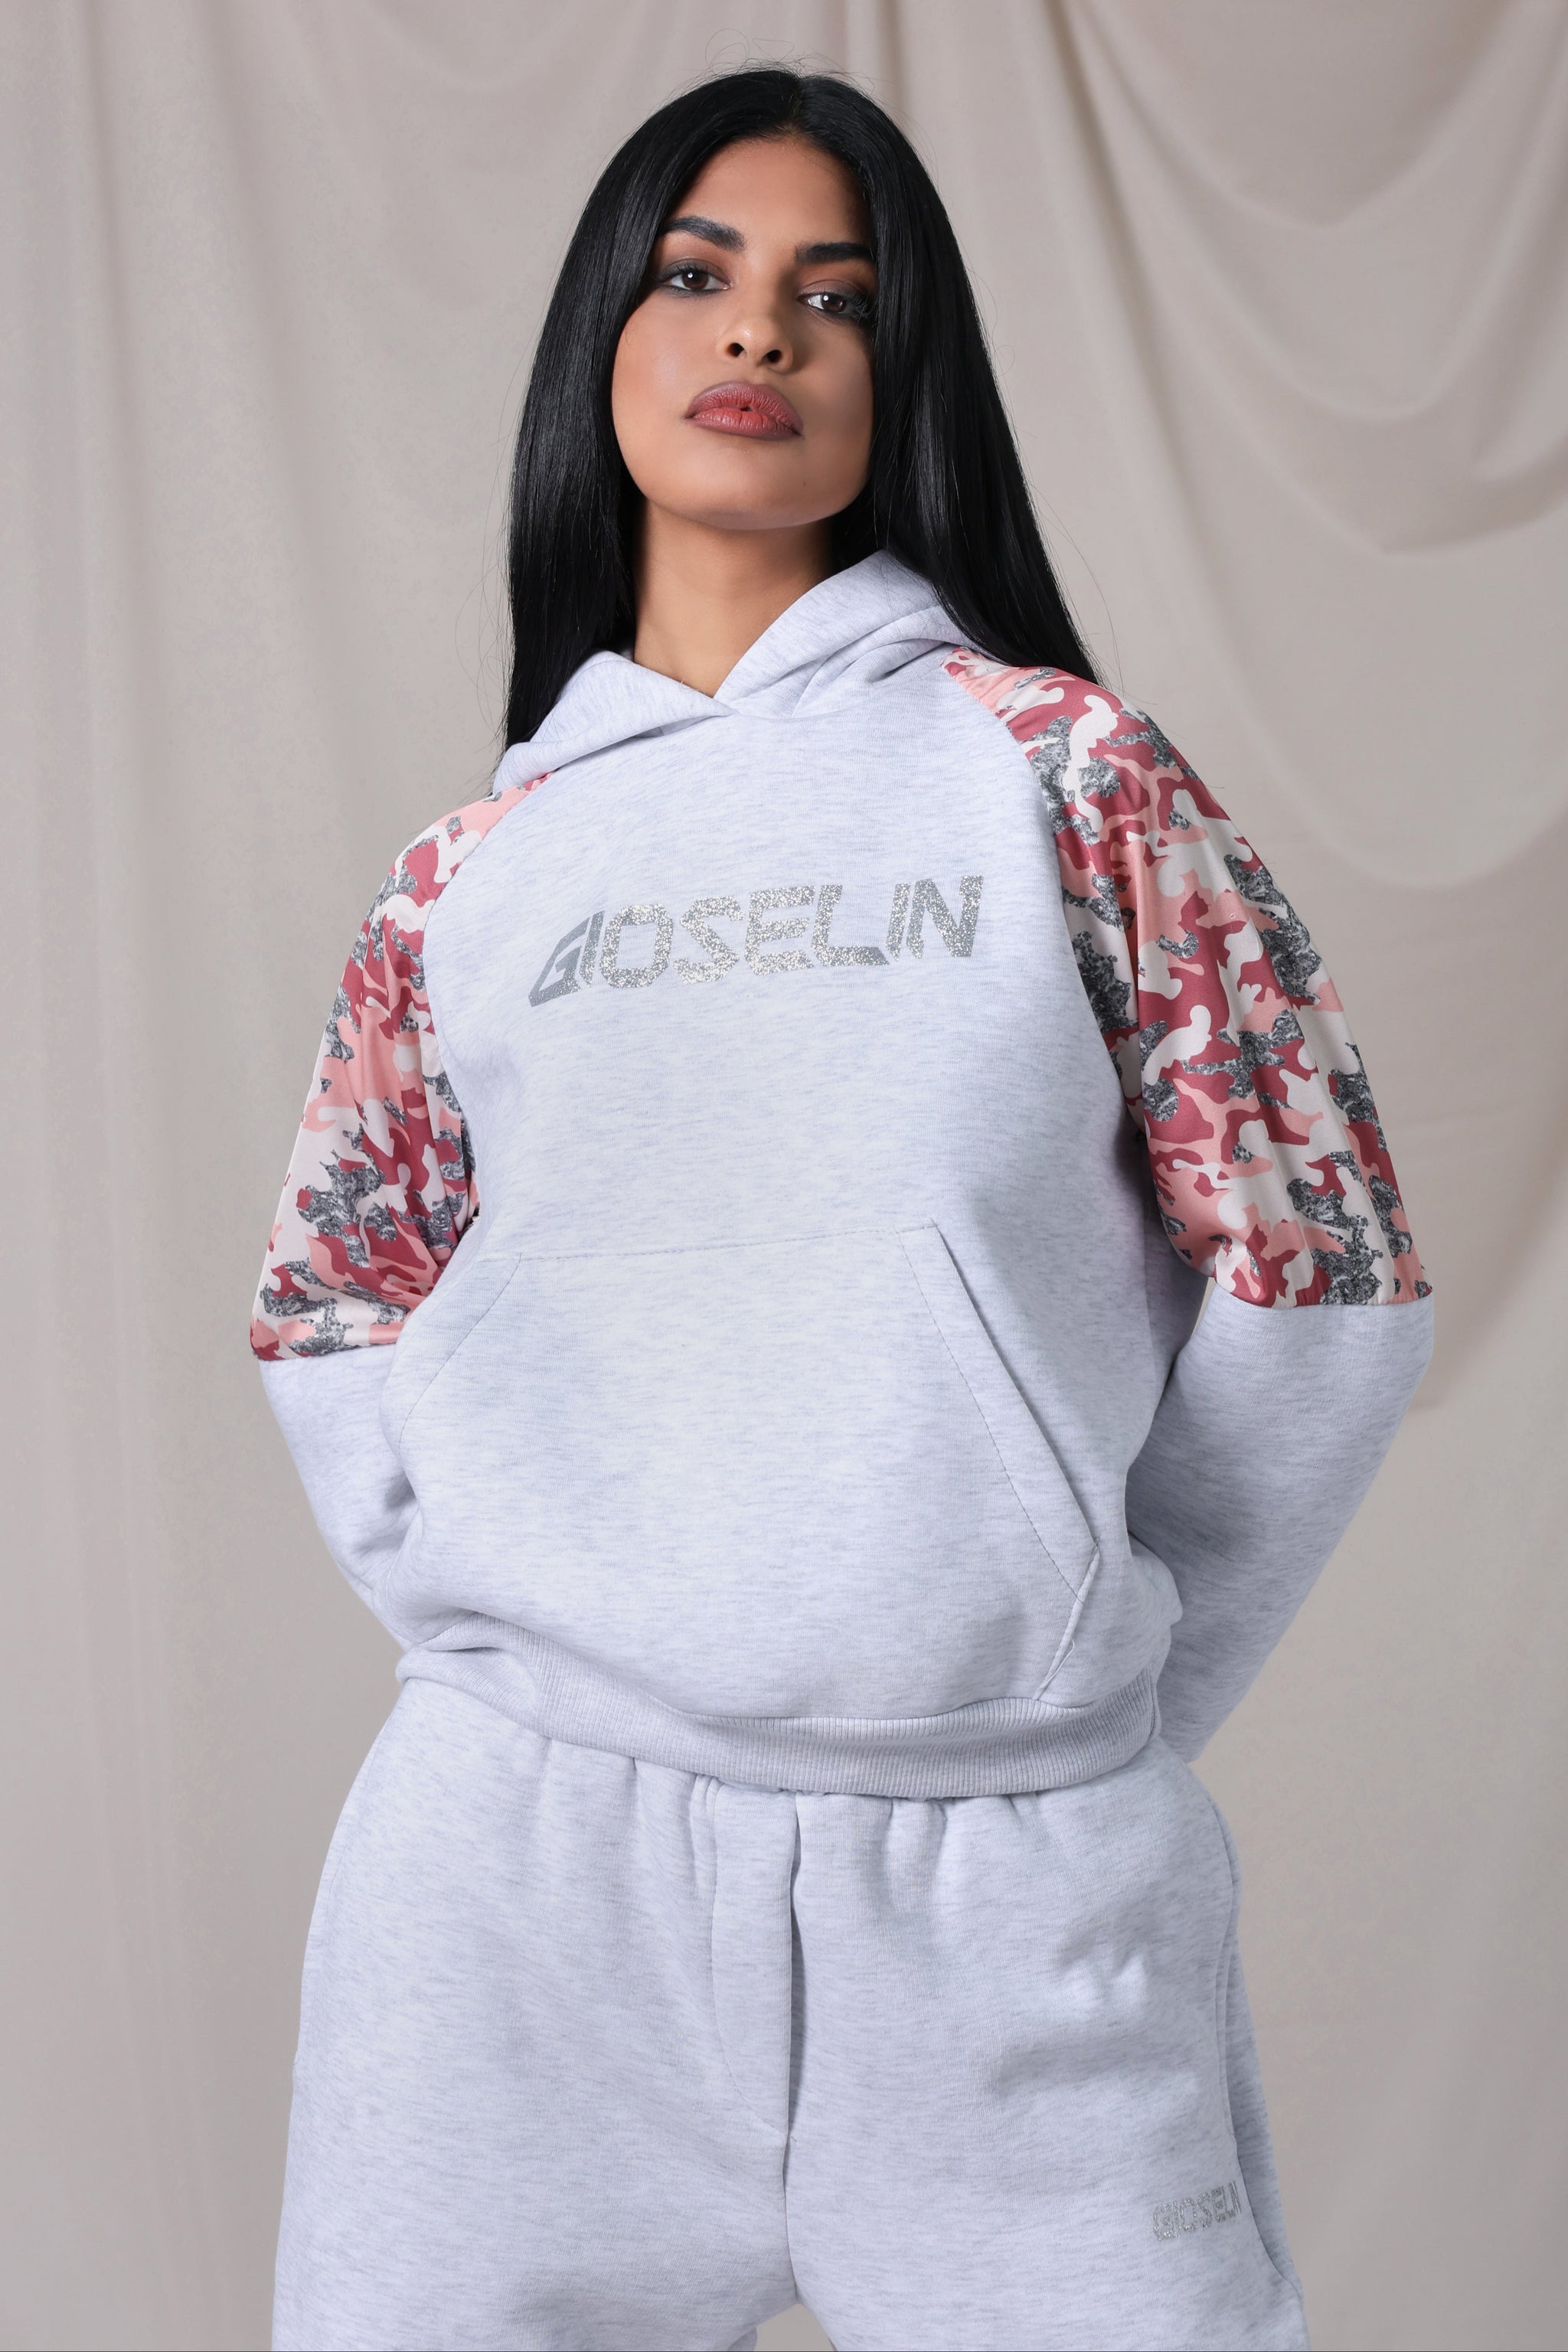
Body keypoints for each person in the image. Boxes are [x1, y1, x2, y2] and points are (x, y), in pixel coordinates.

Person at [252, 65, 1431, 2352]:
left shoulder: (1066, 778)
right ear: (603, 341)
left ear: (907, 378)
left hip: (1008, 1882)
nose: (761, 330)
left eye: (839, 294)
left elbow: (1324, 1275)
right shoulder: (466, 879)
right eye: (697, 274)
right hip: (515, 1890)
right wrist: (533, 1649)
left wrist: (1073, 1668)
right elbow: (335, 1309)